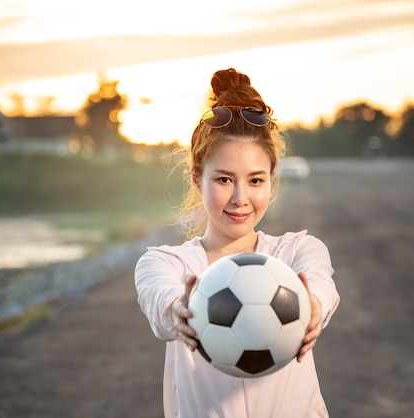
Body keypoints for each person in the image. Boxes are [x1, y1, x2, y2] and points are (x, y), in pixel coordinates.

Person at [135, 68, 340, 418]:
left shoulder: (296, 253)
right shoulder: (167, 264)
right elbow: (159, 300)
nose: (240, 197)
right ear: (197, 178)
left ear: (272, 181)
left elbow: (321, 283)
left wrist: (314, 306)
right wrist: (178, 311)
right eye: (225, 179)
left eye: (255, 180)